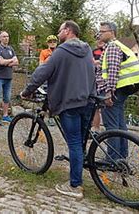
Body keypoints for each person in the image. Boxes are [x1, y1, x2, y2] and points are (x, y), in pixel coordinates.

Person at [20, 20, 96, 200]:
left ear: (68, 31)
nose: (58, 32)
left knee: (75, 143)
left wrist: (27, 91)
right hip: (88, 100)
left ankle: (75, 185)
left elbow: (42, 72)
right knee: (81, 141)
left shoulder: (62, 51)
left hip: (70, 102)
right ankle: (79, 170)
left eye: (60, 30)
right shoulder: (87, 49)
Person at [98, 22, 139, 159]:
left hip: (117, 88)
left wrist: (109, 93)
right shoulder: (118, 46)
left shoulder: (113, 47)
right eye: (99, 31)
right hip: (127, 87)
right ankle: (121, 155)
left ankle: (113, 158)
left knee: (112, 125)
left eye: (103, 31)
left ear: (112, 32)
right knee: (119, 123)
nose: (100, 33)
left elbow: (113, 71)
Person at [0, 31, 19, 126]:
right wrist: (10, 61)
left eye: (7, 36)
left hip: (8, 77)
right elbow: (1, 62)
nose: (6, 38)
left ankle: (5, 115)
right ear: (0, 38)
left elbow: (17, 62)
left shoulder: (11, 49)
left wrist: (6, 62)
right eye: (3, 36)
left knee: (7, 97)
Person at [92, 38, 106, 132]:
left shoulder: (108, 50)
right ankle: (95, 128)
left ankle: (108, 127)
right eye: (97, 40)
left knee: (104, 106)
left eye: (101, 40)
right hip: (94, 81)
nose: (99, 41)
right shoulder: (93, 51)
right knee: (95, 107)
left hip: (105, 82)